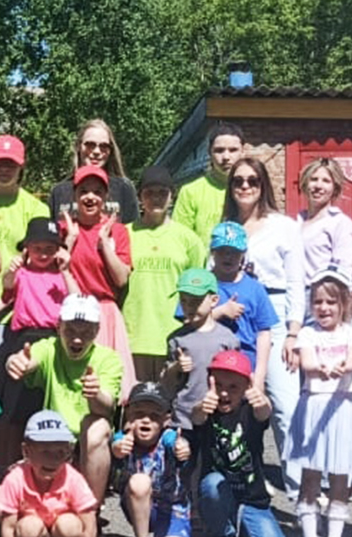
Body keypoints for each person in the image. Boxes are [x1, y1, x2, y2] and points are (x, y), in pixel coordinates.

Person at [222, 157, 303, 497]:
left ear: (263, 184)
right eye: (238, 181)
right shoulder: (225, 226)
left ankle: (300, 492)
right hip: (235, 314)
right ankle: (243, 481)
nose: (245, 186)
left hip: (276, 313)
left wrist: (294, 332)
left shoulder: (283, 226)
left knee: (286, 405)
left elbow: (296, 281)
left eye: (252, 180)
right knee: (237, 404)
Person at [288, 270, 352, 537]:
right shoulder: (307, 334)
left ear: (344, 304)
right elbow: (308, 362)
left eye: (331, 302)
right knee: (310, 476)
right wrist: (322, 368)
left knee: (340, 477)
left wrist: (343, 367)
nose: (324, 308)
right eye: (318, 302)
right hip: (314, 406)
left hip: (343, 408)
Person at [5, 293, 118, 505]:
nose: (77, 339)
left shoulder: (108, 358)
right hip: (53, 437)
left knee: (98, 427)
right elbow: (27, 359)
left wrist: (95, 394)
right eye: (70, 330)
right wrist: (15, 362)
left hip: (86, 446)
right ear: (59, 327)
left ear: (96, 331)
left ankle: (90, 511)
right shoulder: (50, 347)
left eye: (86, 332)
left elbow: (107, 407)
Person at [192, 350, 289, 537]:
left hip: (251, 499)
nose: (224, 393)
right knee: (212, 483)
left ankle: (243, 528)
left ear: (246, 387)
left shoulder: (250, 411)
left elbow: (263, 414)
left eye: (234, 387)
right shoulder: (207, 409)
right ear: (210, 382)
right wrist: (201, 408)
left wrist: (262, 401)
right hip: (218, 495)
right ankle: (223, 534)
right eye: (219, 385)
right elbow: (196, 417)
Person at [0, 217, 77, 468]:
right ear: (27, 248)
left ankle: (46, 461)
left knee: (44, 401)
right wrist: (11, 270)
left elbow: (76, 300)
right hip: (23, 338)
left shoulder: (61, 276)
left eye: (50, 249)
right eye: (37, 248)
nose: (43, 254)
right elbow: (7, 289)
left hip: (53, 339)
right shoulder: (22, 273)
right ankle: (9, 463)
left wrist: (66, 271)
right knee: (14, 406)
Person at [0, 410, 98, 537]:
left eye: (60, 452)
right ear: (26, 451)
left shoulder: (73, 478)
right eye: (45, 452)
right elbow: (8, 528)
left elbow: (90, 526)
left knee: (70, 524)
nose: (53, 459)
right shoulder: (16, 479)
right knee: (28, 526)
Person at [124, 166, 206, 382]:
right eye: (149, 193)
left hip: (174, 334)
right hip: (133, 334)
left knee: (171, 399)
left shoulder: (188, 239)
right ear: (140, 197)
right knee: (135, 399)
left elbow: (198, 290)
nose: (156, 198)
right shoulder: (125, 234)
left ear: (172, 196)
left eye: (162, 192)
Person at [60, 165, 135, 399]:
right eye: (83, 191)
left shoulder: (117, 231)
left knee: (106, 384)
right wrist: (69, 240)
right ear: (75, 195)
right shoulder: (64, 229)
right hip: (72, 312)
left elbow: (121, 278)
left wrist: (104, 243)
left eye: (97, 192)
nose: (90, 197)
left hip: (104, 311)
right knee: (73, 383)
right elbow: (56, 271)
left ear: (105, 196)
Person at [112, 383, 192, 537]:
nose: (146, 420)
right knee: (140, 481)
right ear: (128, 414)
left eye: (155, 415)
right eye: (139, 413)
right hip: (138, 504)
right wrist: (118, 449)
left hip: (171, 510)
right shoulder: (125, 438)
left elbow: (178, 443)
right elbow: (116, 445)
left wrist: (182, 447)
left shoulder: (168, 437)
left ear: (166, 419)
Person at [0, 135, 48, 318]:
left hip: (18, 308)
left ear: (21, 167)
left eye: (11, 165)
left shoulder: (37, 209)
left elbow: (39, 260)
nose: (4, 170)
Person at [161, 268, 239, 431]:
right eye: (184, 300)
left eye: (196, 301)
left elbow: (236, 379)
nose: (189, 306)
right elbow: (167, 384)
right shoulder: (176, 339)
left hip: (217, 416)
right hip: (183, 418)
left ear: (214, 300)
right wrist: (176, 367)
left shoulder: (228, 339)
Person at [205, 222, 276, 394]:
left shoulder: (255, 289)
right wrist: (220, 312)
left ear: (243, 254)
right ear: (213, 252)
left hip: (245, 367)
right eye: (222, 251)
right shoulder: (203, 285)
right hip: (209, 365)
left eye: (234, 252)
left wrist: (259, 377)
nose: (228, 257)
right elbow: (190, 321)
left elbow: (264, 333)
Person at [48, 119, 139, 223]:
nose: (97, 151)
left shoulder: (124, 189)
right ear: (78, 146)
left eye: (104, 146)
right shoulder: (59, 192)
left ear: (110, 150)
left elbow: (132, 230)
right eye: (90, 145)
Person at [296, 157, 352, 297]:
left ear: (335, 188)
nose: (318, 185)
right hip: (295, 296)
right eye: (314, 179)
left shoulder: (339, 224)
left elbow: (346, 270)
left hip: (323, 297)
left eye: (326, 181)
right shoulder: (297, 222)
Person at [174, 122, 245, 245]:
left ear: (243, 152)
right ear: (209, 153)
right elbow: (179, 240)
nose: (226, 157)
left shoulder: (252, 191)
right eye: (219, 150)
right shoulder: (190, 192)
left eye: (233, 150)